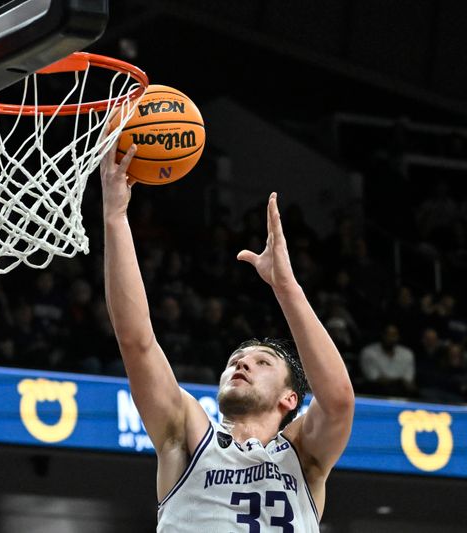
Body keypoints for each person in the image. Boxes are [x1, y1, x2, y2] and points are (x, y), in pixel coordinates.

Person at [101, 144, 355, 532]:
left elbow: (337, 400)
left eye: (262, 362)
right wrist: (116, 217)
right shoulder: (186, 436)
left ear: (291, 399)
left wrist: (286, 286)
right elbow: (137, 342)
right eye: (236, 360)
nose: (242, 363)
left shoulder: (303, 455)